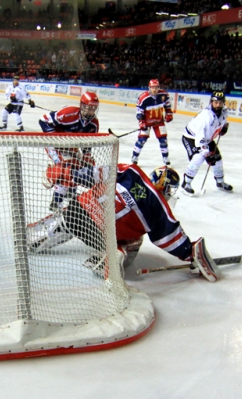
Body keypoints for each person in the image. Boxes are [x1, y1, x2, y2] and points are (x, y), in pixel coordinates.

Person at [38, 163, 221, 282]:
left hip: (77, 210)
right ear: (165, 186)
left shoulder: (131, 170)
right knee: (137, 237)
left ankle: (42, 237)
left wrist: (62, 173)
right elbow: (170, 239)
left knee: (74, 215)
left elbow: (94, 174)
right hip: (101, 235)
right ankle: (115, 252)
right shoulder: (159, 207)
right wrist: (190, 253)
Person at [38, 92, 100, 210]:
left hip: (71, 146)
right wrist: (55, 139)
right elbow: (43, 120)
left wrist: (86, 156)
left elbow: (88, 143)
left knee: (78, 167)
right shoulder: (68, 113)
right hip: (54, 145)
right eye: (89, 107)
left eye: (94, 108)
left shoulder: (94, 123)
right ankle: (56, 202)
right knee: (65, 171)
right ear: (82, 105)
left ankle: (70, 192)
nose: (91, 111)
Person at [180, 91, 232, 195]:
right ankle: (186, 183)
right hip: (191, 137)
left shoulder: (224, 112)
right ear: (211, 102)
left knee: (217, 159)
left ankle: (220, 182)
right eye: (215, 102)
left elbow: (223, 122)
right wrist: (207, 155)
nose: (218, 105)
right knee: (198, 157)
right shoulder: (205, 117)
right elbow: (200, 139)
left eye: (220, 103)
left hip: (207, 138)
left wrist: (223, 128)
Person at [131, 79, 173, 165]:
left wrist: (169, 114)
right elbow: (139, 112)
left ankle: (165, 157)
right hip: (147, 122)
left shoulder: (164, 95)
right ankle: (134, 156)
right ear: (149, 88)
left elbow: (167, 106)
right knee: (142, 140)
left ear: (159, 87)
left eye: (156, 87)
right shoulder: (143, 98)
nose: (154, 90)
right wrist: (141, 122)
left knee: (163, 140)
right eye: (152, 87)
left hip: (159, 121)